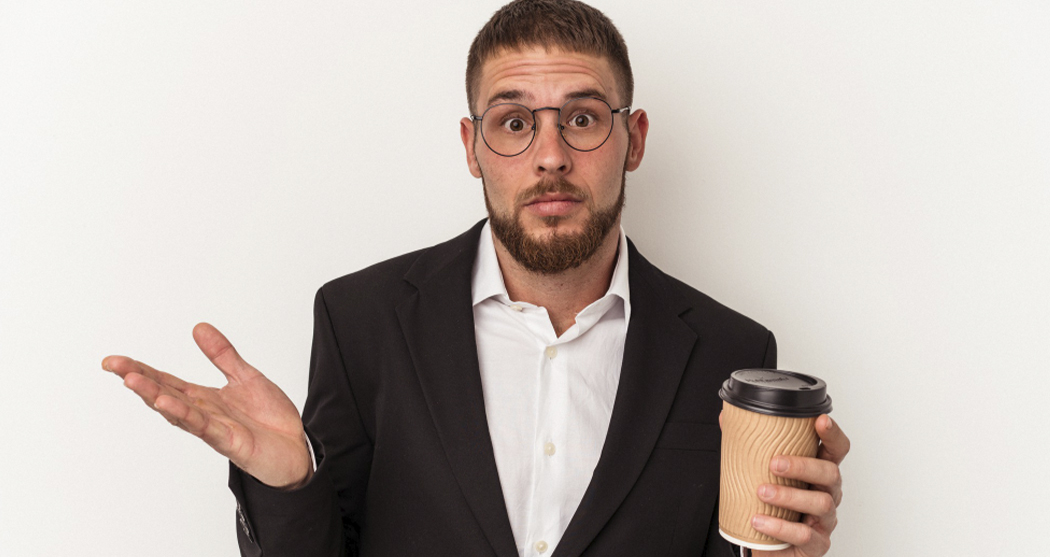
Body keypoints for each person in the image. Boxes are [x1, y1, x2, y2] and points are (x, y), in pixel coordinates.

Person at [102, 1, 850, 556]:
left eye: (583, 119)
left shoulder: (731, 350)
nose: (550, 155)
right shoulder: (361, 321)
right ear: (472, 146)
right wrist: (292, 486)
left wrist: (781, 556)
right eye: (515, 123)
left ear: (633, 138)